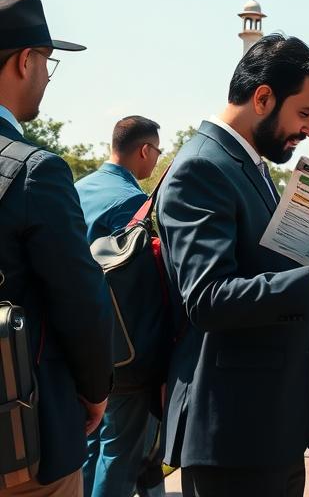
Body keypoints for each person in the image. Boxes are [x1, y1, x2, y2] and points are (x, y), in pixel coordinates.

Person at [157, 35, 309, 497]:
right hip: (232, 430)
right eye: (305, 112)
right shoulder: (204, 168)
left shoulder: (248, 166)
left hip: (267, 425)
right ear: (263, 97)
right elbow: (207, 299)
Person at [0, 0, 114, 497]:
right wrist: (95, 390)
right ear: (26, 60)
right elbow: (79, 296)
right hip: (23, 434)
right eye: (48, 61)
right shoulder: (34, 170)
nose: (47, 75)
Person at [76, 116, 165, 497]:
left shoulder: (76, 188)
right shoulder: (133, 202)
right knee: (118, 454)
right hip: (122, 352)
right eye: (157, 152)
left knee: (86, 448)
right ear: (145, 150)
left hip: (73, 343)